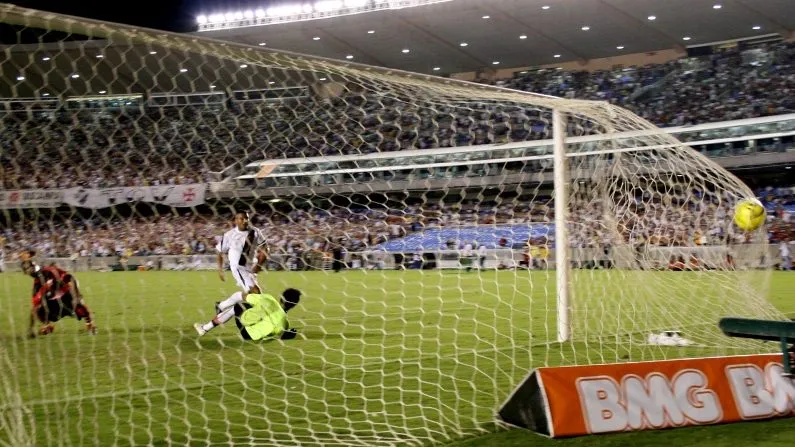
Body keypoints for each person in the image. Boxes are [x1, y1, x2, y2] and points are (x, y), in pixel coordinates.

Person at [195, 211, 268, 336]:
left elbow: (265, 248)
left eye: (246, 218)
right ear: (235, 221)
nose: (245, 220)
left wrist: (258, 266)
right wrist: (220, 270)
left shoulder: (255, 232)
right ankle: (208, 325)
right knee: (256, 295)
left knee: (253, 296)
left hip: (250, 268)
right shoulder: (230, 235)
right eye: (241, 218)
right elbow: (219, 251)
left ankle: (221, 307)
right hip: (238, 268)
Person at [19, 249, 96, 338]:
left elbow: (70, 277)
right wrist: (31, 329)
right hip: (55, 306)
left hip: (66, 299)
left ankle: (90, 323)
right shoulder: (37, 286)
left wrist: (77, 295)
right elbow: (34, 309)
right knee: (38, 308)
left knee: (78, 303)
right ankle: (47, 326)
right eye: (26, 270)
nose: (29, 271)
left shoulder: (50, 271)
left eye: (29, 268)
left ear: (34, 266)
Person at [194, 288, 301, 341]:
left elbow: (244, 296)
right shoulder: (285, 323)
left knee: (238, 305)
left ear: (281, 297)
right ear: (294, 305)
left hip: (246, 330)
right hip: (253, 338)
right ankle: (221, 307)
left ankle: (205, 327)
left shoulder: (269, 299)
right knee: (252, 308)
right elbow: (276, 334)